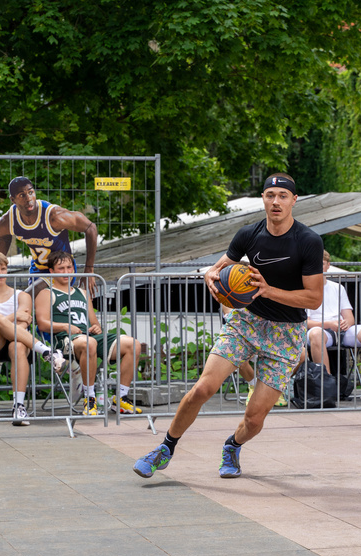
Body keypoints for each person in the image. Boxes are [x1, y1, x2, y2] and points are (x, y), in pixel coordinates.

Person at [133, 173, 323, 479]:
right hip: (246, 322)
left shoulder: (308, 241)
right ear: (263, 198)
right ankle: (165, 448)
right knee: (203, 388)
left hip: (286, 333)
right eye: (270, 195)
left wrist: (267, 289)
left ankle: (232, 445)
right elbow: (218, 268)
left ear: (294, 200)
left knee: (255, 418)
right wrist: (211, 276)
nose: (276, 201)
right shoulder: (248, 234)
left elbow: (314, 298)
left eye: (283, 196)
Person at [35, 251, 143, 416]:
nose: (66, 272)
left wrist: (96, 328)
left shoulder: (83, 293)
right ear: (52, 271)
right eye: (61, 268)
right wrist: (65, 326)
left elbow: (95, 323)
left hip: (88, 337)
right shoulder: (46, 293)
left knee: (133, 344)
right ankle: (90, 398)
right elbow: (42, 323)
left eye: (69, 267)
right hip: (65, 341)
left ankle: (120, 398)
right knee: (89, 343)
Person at [0, 252, 66, 426]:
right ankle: (47, 351)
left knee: (18, 346)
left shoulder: (22, 295)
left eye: (3, 269)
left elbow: (26, 322)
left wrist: (8, 325)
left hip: (19, 340)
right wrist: (11, 317)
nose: (0, 273)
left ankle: (19, 406)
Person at [0, 176, 99, 295]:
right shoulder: (8, 221)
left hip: (61, 269)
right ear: (13, 199)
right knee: (37, 309)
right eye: (22, 195)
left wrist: (89, 269)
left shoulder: (54, 216)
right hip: (38, 270)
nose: (29, 198)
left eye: (31, 192)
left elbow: (91, 228)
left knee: (28, 297)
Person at [307, 250, 361, 402]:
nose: (318, 268)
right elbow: (304, 322)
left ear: (328, 265)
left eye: (322, 264)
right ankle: (327, 387)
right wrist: (328, 324)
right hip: (319, 329)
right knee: (316, 334)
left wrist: (346, 323)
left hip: (341, 329)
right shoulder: (305, 287)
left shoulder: (338, 288)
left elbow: (349, 317)